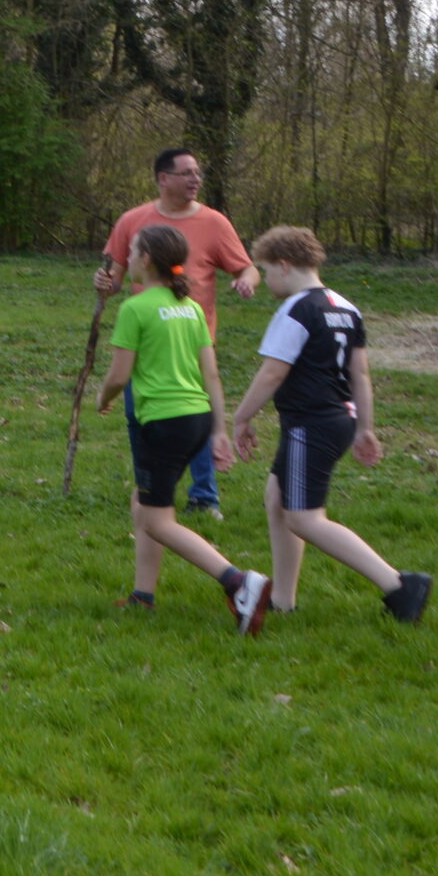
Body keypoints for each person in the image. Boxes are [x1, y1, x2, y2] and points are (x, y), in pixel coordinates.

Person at [229, 226, 432, 623]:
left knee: (304, 517)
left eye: (267, 269)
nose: (266, 278)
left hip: (311, 424)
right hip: (337, 420)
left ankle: (399, 585)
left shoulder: (297, 310)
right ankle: (282, 600)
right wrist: (365, 427)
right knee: (277, 498)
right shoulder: (346, 307)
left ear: (285, 266)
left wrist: (241, 416)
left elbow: (273, 373)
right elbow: (361, 375)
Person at [96, 223, 269, 633]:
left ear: (147, 260)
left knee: (157, 519)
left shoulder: (135, 309)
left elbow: (120, 376)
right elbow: (211, 375)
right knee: (145, 503)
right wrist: (219, 428)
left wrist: (101, 399)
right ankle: (143, 595)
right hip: (195, 419)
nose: (129, 256)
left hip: (162, 422)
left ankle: (239, 582)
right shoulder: (190, 307)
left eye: (134, 250)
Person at [95, 148, 259, 517]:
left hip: (194, 339)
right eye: (186, 173)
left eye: (198, 172)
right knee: (140, 416)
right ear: (162, 178)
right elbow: (115, 278)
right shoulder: (132, 220)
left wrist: (247, 282)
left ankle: (204, 497)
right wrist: (104, 282)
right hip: (146, 341)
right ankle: (151, 490)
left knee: (193, 412)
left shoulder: (215, 222)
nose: (195, 179)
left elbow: (247, 268)